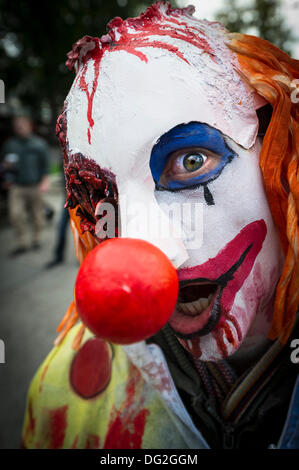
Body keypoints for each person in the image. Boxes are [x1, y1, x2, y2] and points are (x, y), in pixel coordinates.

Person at [22, 2, 299, 449]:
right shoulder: (63, 393)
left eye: (191, 161)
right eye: (101, 196)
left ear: (282, 149)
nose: (149, 249)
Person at [1, 115, 50, 255]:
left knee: (37, 215)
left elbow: (45, 165)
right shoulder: (10, 145)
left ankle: (36, 239)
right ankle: (21, 242)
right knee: (16, 215)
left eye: (22, 124)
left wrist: (45, 181)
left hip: (35, 185)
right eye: (17, 125)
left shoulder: (39, 144)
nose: (19, 127)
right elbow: (4, 166)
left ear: (29, 125)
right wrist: (6, 176)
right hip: (17, 186)